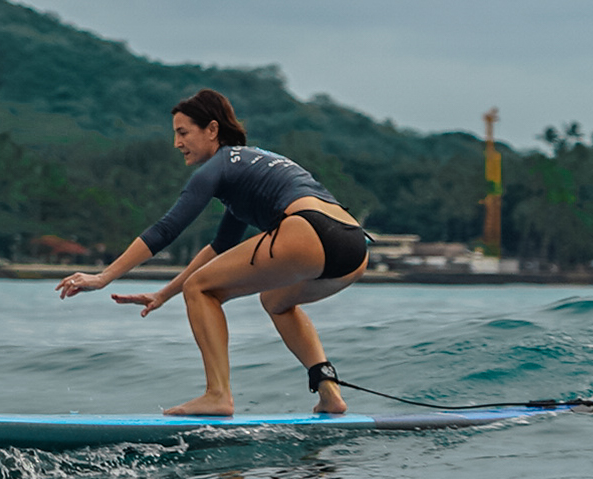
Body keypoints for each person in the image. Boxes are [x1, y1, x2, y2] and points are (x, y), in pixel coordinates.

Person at [56, 88, 371, 416]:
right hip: (353, 245)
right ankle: (328, 390)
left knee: (201, 288)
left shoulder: (218, 166)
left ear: (212, 129)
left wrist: (104, 277)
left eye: (183, 133)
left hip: (310, 228)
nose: (177, 143)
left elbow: (166, 229)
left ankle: (218, 394)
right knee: (276, 301)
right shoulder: (250, 167)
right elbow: (219, 248)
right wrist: (164, 294)